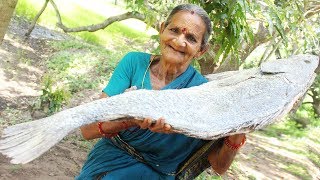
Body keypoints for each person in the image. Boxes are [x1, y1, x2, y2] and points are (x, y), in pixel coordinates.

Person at [77, 4, 246, 180]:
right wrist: (131, 120)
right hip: (106, 166)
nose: (179, 41)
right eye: (174, 30)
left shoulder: (204, 94)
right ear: (162, 29)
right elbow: (88, 130)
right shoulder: (134, 63)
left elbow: (219, 166)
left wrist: (239, 129)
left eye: (191, 38)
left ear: (201, 50)